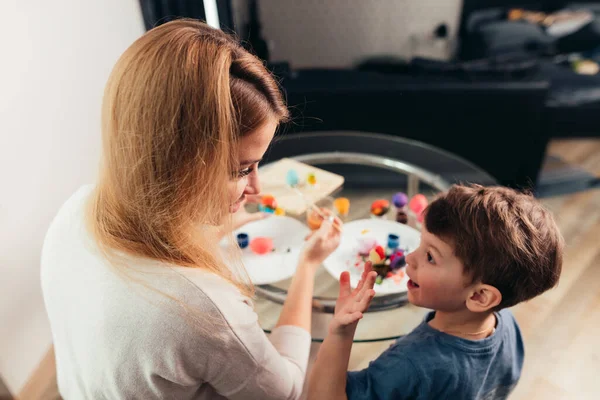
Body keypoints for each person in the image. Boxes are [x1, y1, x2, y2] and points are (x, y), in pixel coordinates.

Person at [41, 19, 341, 399]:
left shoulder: (75, 210)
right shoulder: (202, 308)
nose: (256, 188)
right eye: (241, 170)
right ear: (178, 163)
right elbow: (286, 390)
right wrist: (308, 266)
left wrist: (232, 215)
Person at [308, 184, 564, 400]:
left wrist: (340, 333)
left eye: (430, 256)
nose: (409, 258)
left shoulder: (409, 365)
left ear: (479, 296)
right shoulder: (507, 325)